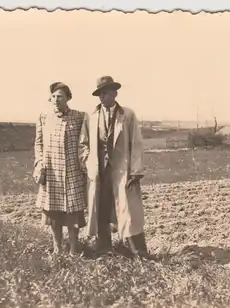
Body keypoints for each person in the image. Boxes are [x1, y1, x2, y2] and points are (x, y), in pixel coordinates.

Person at [79, 75, 150, 258]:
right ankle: (104, 249)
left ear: (114, 93)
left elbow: (136, 143)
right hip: (99, 170)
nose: (102, 97)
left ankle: (138, 252)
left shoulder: (127, 115)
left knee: (129, 211)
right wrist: (88, 161)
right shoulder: (91, 116)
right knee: (101, 208)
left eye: (105, 93)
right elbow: (83, 143)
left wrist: (135, 170)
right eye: (99, 94)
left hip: (122, 169)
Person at [34, 82, 87, 255]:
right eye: (53, 96)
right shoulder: (44, 117)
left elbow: (85, 142)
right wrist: (40, 162)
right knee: (53, 212)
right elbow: (38, 143)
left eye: (60, 97)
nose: (56, 100)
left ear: (68, 98)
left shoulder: (79, 117)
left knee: (72, 214)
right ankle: (57, 248)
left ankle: (73, 249)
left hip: (72, 172)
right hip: (52, 172)